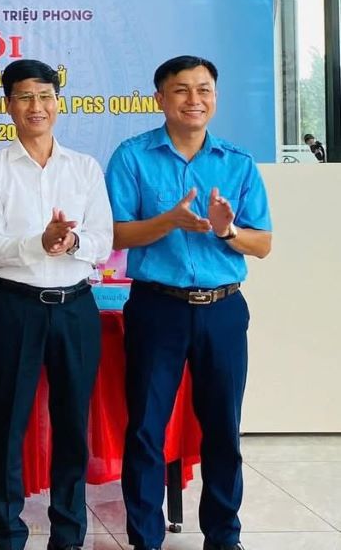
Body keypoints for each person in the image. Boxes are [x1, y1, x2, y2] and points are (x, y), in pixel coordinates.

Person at [107, 55, 272, 550]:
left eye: (204, 89)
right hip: (158, 307)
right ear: (160, 98)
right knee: (146, 430)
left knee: (224, 427)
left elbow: (262, 243)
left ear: (215, 98)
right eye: (181, 90)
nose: (194, 99)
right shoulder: (132, 156)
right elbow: (114, 232)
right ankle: (145, 538)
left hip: (223, 309)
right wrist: (168, 221)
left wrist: (228, 231)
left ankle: (224, 536)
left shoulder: (238, 162)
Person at [0, 59, 113, 550]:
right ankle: (8, 533)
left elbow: (103, 237)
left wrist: (69, 241)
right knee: (8, 423)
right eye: (26, 97)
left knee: (73, 423)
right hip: (16, 307)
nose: (38, 106)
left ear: (59, 102)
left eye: (46, 96)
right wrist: (40, 241)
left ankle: (68, 534)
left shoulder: (85, 168)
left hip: (76, 307)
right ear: (8, 105)